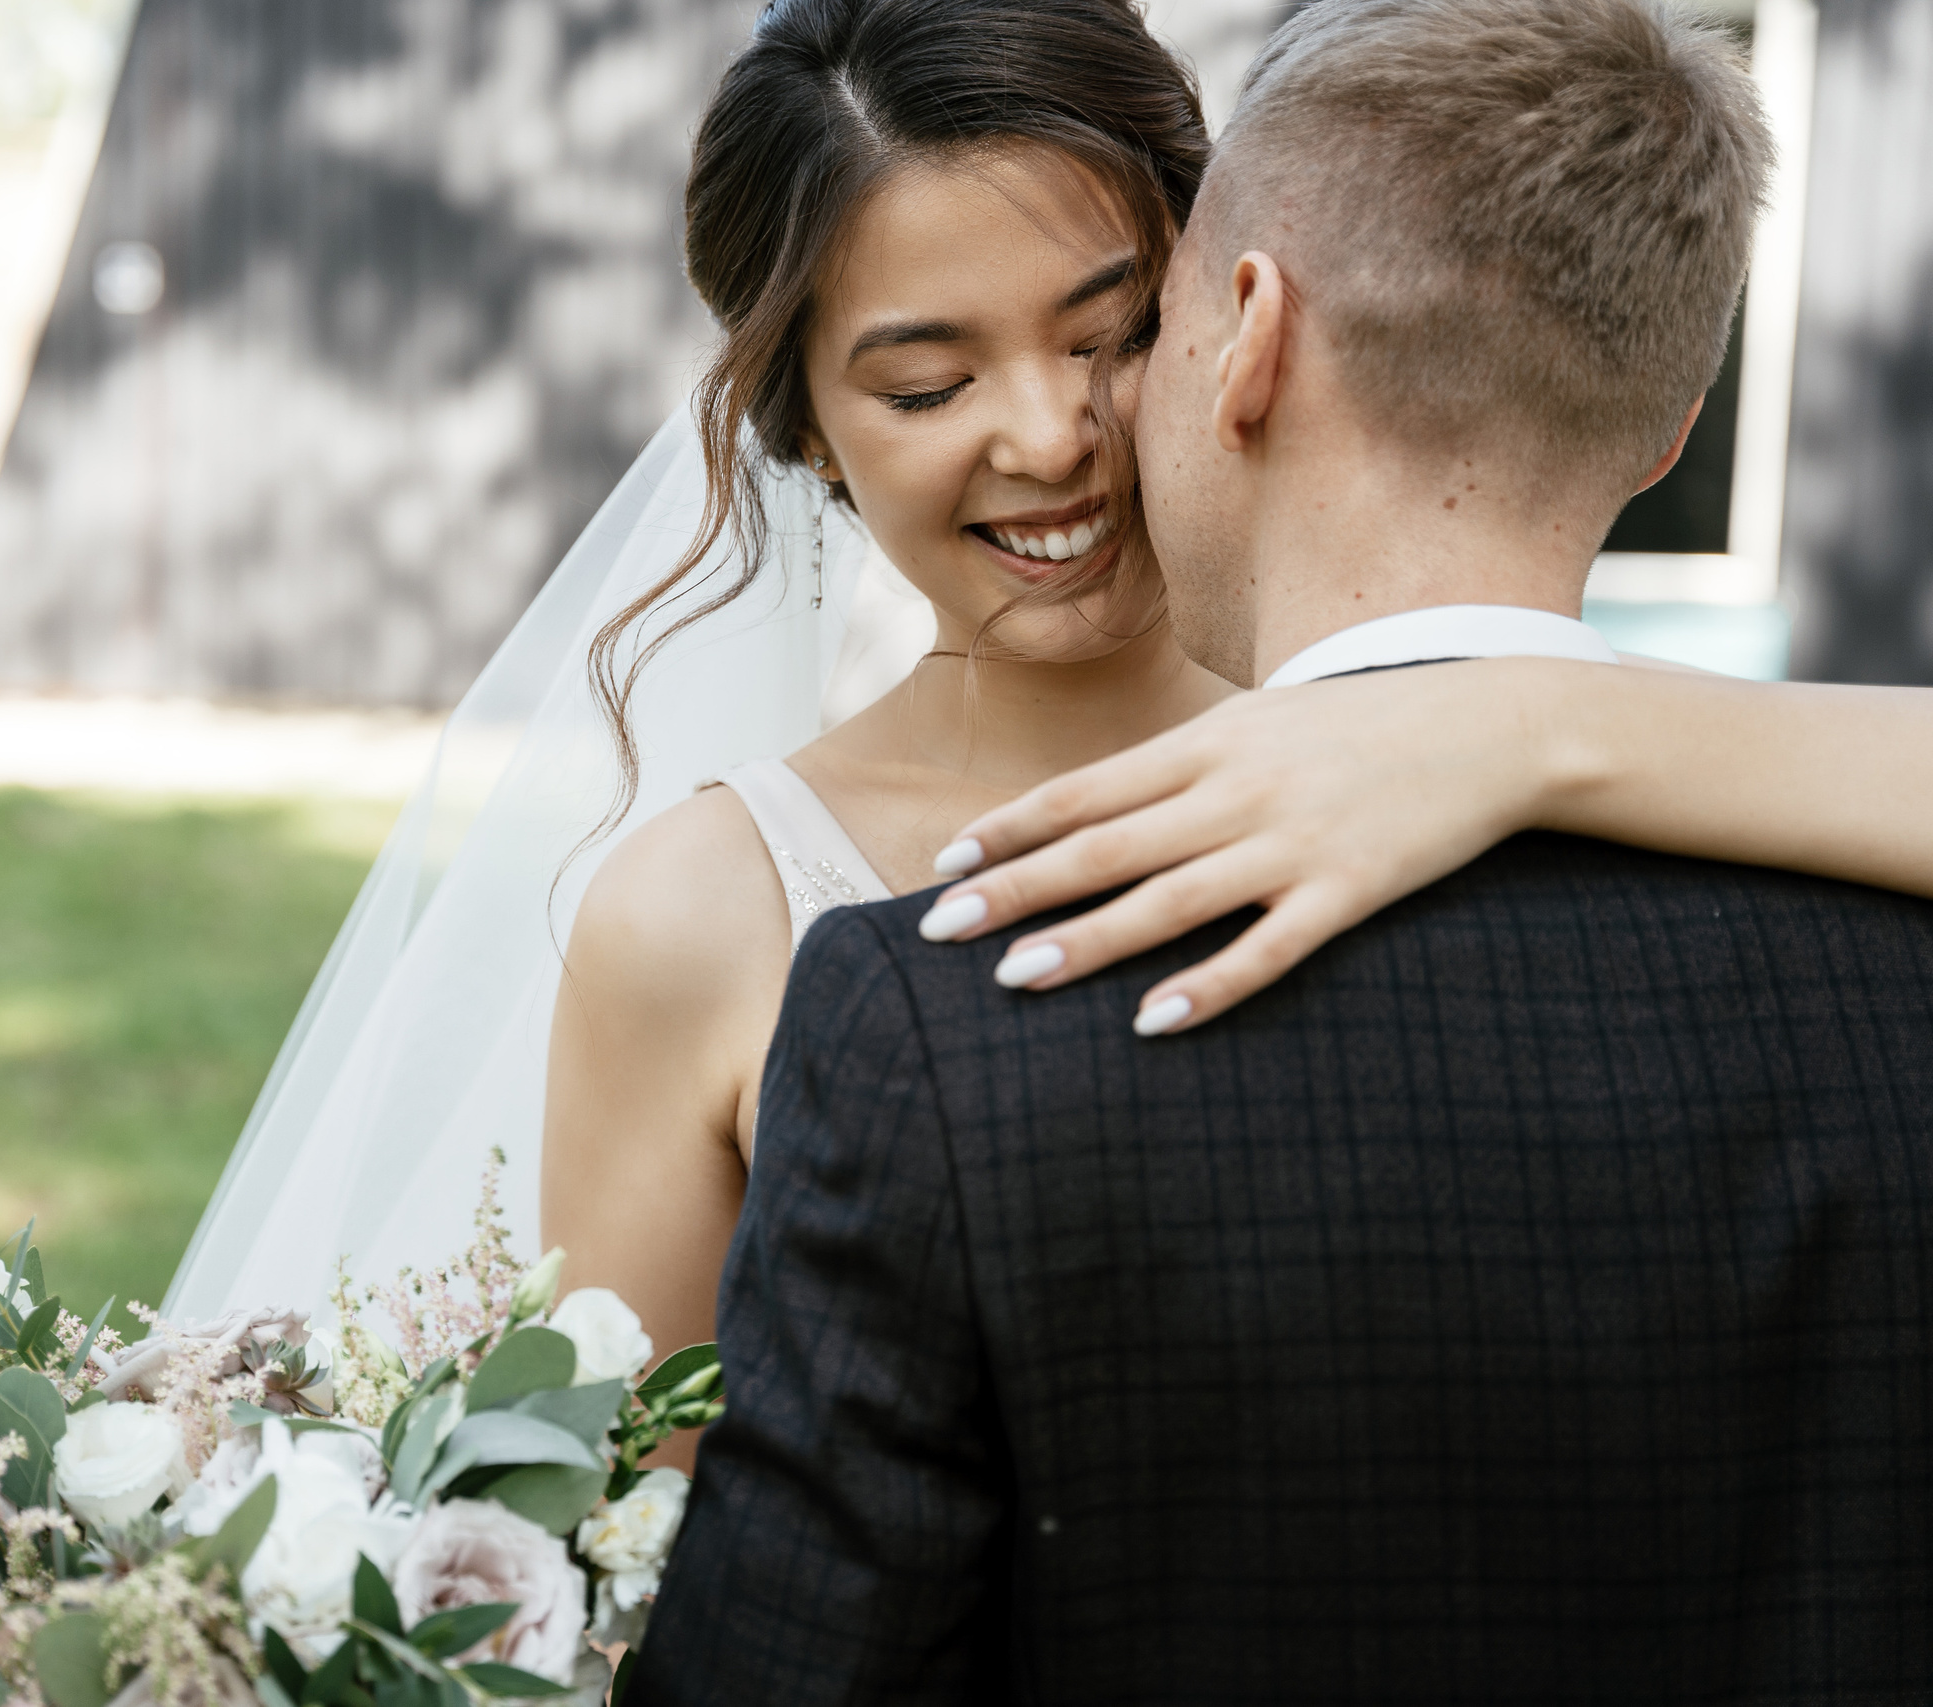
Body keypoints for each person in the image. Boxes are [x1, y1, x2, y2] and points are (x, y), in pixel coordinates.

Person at [631, 0, 1933, 1697]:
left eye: (1122, 329)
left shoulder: (927, 1024)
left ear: (1231, 330)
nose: (1053, 436)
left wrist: (1523, 729)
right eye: (931, 378)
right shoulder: (1884, 921)